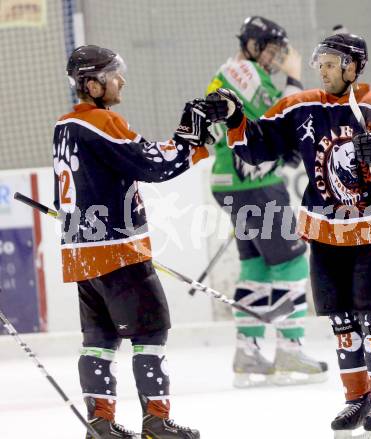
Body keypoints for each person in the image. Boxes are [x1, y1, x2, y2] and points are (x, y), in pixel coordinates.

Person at [204, 33, 371, 437]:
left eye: (332, 63)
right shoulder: (300, 106)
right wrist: (235, 117)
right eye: (321, 63)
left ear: (352, 67)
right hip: (325, 235)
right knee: (342, 322)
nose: (324, 70)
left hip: (369, 236)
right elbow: (256, 147)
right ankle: (356, 397)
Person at [56, 45, 210, 439]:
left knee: (99, 339)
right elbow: (151, 163)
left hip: (82, 257)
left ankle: (101, 423)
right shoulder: (102, 122)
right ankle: (156, 422)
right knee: (150, 331)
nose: (120, 80)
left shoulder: (64, 126)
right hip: (117, 253)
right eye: (112, 74)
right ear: (92, 84)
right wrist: (190, 136)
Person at [205, 15, 327, 388]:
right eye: (272, 50)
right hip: (253, 182)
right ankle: (289, 347)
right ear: (254, 46)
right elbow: (287, 112)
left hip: (232, 182)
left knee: (255, 265)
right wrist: (293, 74)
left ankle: (248, 350)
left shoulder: (229, 74)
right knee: (290, 259)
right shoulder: (243, 72)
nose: (275, 58)